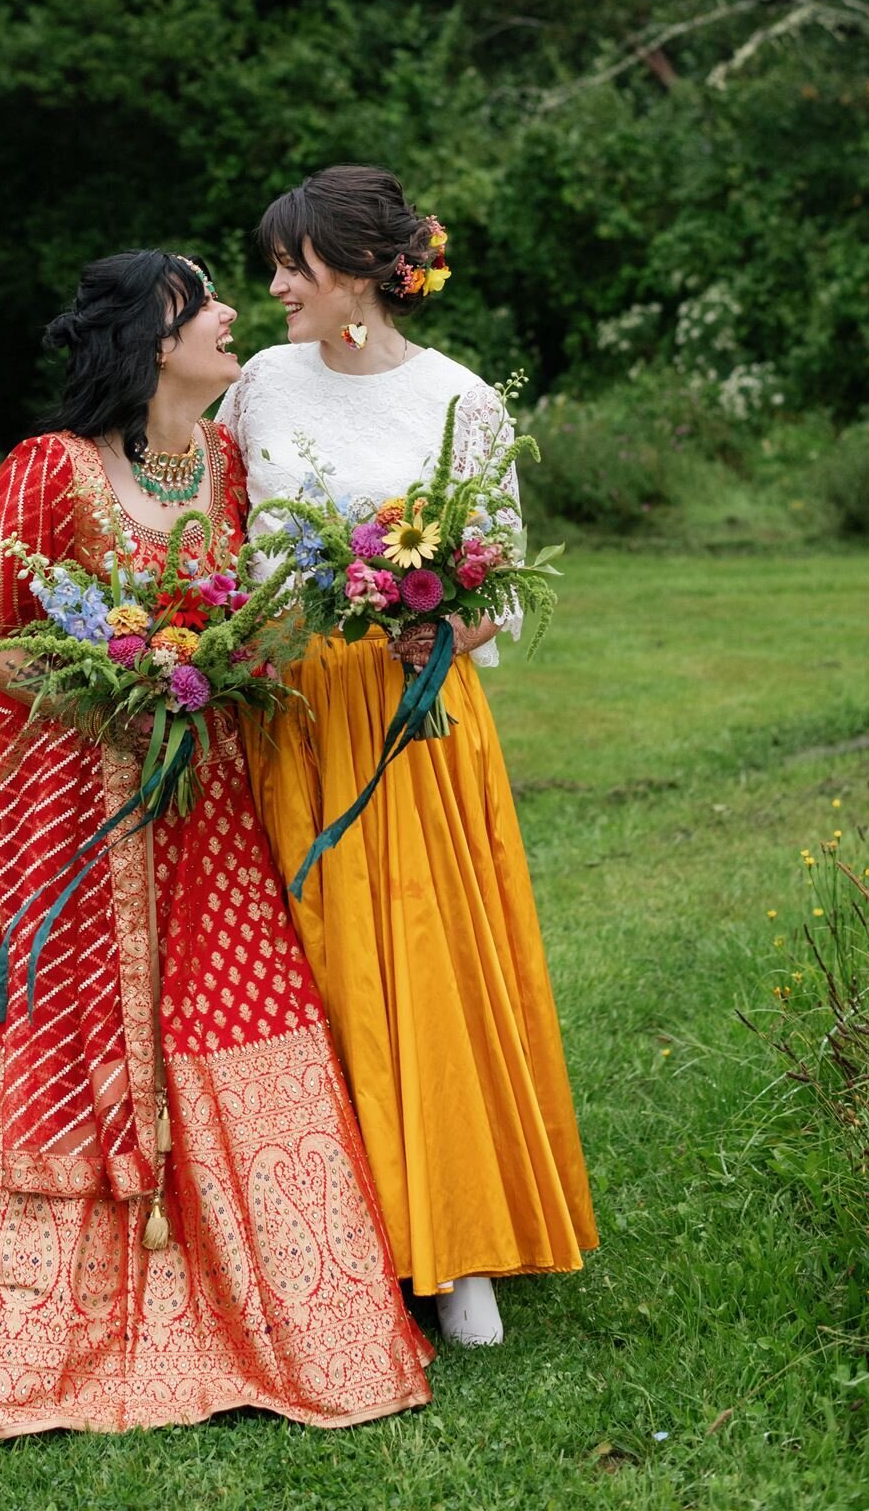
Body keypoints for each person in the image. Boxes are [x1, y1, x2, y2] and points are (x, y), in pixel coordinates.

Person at [0, 248, 431, 1436]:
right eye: (201, 301)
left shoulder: (229, 463)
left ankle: (289, 1306)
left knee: (241, 1011)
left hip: (210, 808)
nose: (230, 310)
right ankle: (65, 1317)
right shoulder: (50, 470)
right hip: (77, 817)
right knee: (78, 1027)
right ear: (149, 341)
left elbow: (261, 611)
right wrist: (111, 692)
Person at [218, 167, 597, 1347]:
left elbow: (503, 586)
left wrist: (438, 618)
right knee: (307, 967)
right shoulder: (260, 386)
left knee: (427, 967)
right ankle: (324, 1237)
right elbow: (221, 537)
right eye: (274, 265)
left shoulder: (464, 401)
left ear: (358, 276)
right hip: (292, 712)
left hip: (412, 721)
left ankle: (455, 1242)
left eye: (294, 265)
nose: (274, 286)